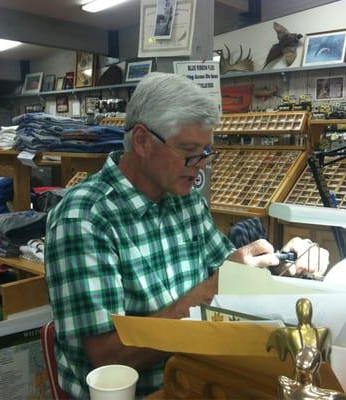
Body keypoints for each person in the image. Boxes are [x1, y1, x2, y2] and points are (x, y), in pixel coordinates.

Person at [45, 72, 328, 398]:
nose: (200, 165)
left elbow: (226, 270)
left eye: (206, 151)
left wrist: (279, 263)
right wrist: (212, 289)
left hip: (195, 378)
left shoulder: (184, 197)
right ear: (141, 141)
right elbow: (107, 356)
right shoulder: (85, 219)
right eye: (189, 150)